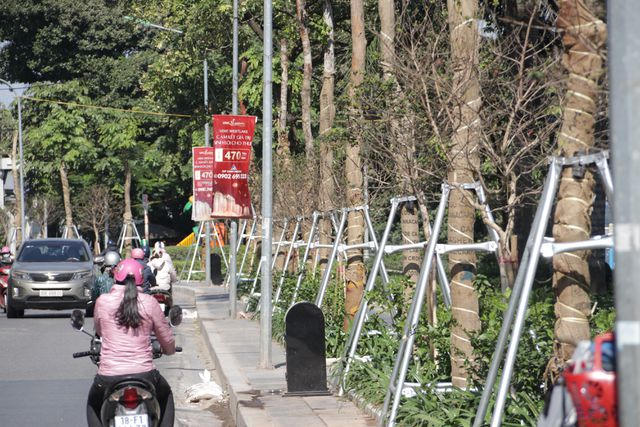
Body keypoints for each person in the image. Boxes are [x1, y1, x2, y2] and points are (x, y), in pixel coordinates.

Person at [87, 258, 176, 427]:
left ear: (116, 277)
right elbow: (167, 339)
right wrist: (168, 349)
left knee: (93, 403)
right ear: (142, 279)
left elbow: (99, 330)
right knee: (166, 395)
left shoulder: (103, 301)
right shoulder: (150, 302)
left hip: (108, 376)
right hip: (145, 374)